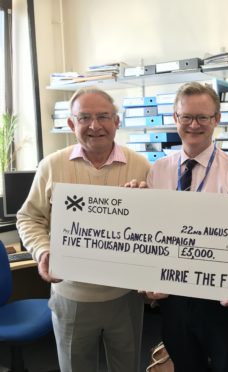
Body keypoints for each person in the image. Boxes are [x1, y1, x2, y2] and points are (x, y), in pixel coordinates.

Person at [16, 87, 150, 372]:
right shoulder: (51, 165)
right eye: (84, 117)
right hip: (71, 295)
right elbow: (29, 217)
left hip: (124, 296)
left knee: (127, 367)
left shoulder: (141, 165)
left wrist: (149, 202)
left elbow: (156, 227)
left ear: (117, 121)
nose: (95, 125)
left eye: (103, 116)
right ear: (71, 124)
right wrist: (43, 251)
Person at [142, 82, 228, 372]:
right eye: (186, 117)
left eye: (203, 117)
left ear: (216, 119)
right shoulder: (159, 169)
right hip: (173, 296)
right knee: (186, 365)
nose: (194, 124)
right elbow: (153, 231)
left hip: (219, 298)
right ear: (175, 119)